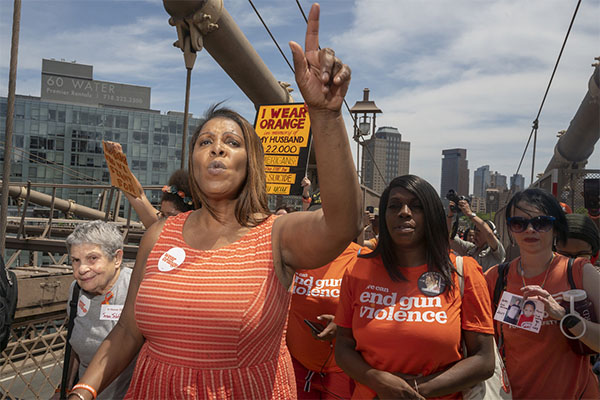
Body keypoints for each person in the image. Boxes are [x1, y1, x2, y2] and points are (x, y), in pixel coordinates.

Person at [67, 5, 362, 399]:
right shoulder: (160, 235)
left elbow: (343, 223)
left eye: (232, 142)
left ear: (249, 162)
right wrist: (83, 390)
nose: (217, 149)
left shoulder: (276, 234)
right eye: (205, 142)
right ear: (194, 162)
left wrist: (324, 116)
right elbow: (128, 331)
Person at [335, 175, 495, 399]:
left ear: (432, 216)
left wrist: (415, 391)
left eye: (417, 206)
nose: (404, 212)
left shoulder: (463, 271)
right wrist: (377, 380)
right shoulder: (358, 269)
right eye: (394, 206)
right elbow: (343, 345)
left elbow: (484, 360)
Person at [485, 188, 600, 399]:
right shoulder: (495, 278)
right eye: (519, 223)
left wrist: (564, 317)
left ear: (556, 229)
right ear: (510, 230)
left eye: (541, 222)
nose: (530, 230)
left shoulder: (581, 272)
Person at [62, 220, 136, 399]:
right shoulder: (76, 291)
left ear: (117, 258)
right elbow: (75, 345)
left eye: (92, 258)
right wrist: (64, 389)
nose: (82, 269)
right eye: (76, 260)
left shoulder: (135, 289)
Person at [286, 241, 363, 399]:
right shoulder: (293, 255)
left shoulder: (363, 258)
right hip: (296, 365)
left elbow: (376, 313)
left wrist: (343, 324)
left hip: (343, 369)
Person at [103, 141, 194, 228]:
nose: (164, 221)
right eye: (162, 214)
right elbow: (137, 195)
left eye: (171, 216)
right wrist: (116, 158)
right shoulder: (157, 226)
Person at [447, 199, 505, 272]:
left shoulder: (496, 253)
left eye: (479, 231)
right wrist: (450, 215)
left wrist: (470, 214)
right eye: (475, 231)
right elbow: (450, 237)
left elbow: (489, 234)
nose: (475, 235)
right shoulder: (470, 249)